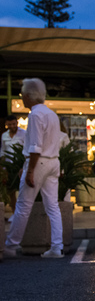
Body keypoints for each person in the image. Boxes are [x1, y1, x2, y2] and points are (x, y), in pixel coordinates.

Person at [4, 78, 64, 258]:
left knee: (23, 205)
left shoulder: (35, 115)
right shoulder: (51, 114)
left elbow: (36, 146)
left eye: (22, 94)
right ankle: (56, 247)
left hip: (40, 162)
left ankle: (10, 246)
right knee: (53, 206)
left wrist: (29, 169)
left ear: (29, 96)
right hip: (53, 161)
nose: (21, 97)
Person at [1, 114, 27, 217]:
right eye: (9, 125)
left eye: (13, 124)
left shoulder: (24, 134)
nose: (11, 126)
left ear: (17, 123)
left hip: (19, 165)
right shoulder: (4, 135)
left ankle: (22, 214)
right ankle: (14, 213)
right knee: (10, 191)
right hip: (8, 166)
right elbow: (3, 151)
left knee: (22, 190)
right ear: (6, 125)